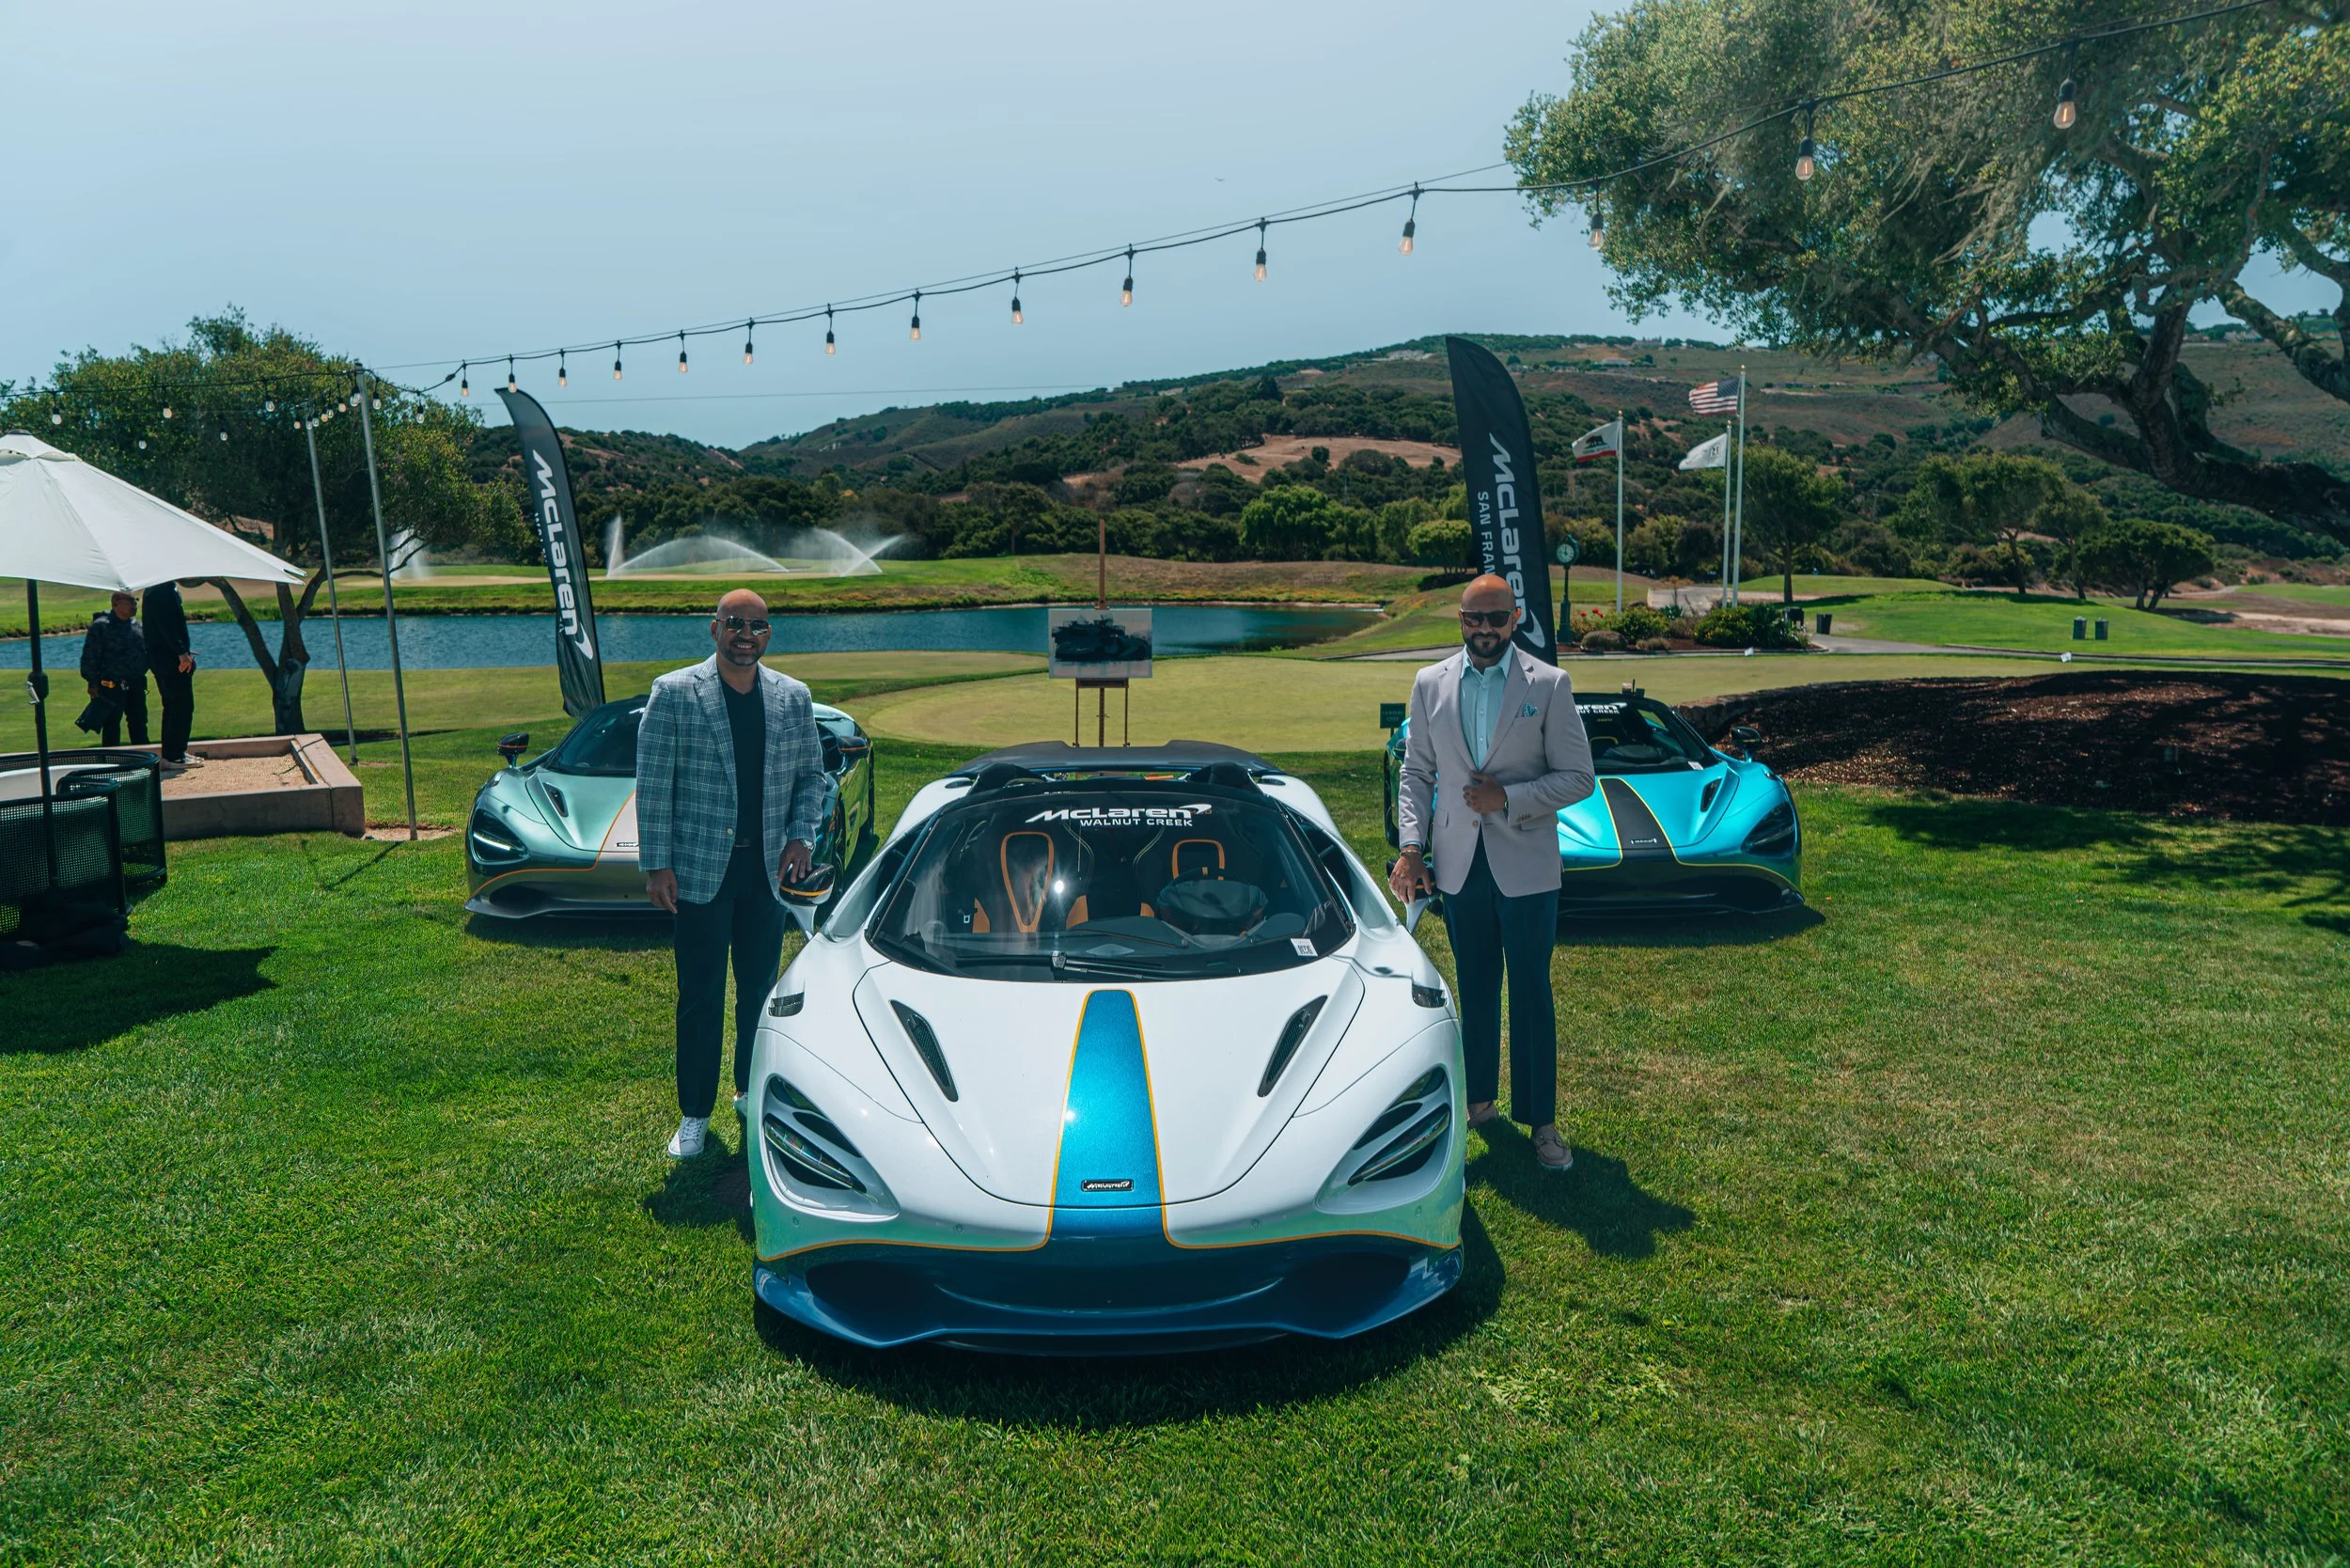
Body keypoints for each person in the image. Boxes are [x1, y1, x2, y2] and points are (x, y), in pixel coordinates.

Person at [1390, 574, 1595, 1173]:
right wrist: (1411, 846)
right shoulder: (1429, 683)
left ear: (1515, 618)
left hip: (1527, 866)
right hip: (1459, 867)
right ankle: (1479, 1101)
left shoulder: (1549, 684)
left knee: (1531, 992)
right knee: (1475, 988)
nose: (1485, 629)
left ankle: (1542, 1122)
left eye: (1497, 618)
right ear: (1460, 620)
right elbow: (1416, 772)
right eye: (1474, 618)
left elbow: (1579, 777)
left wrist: (1508, 798)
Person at [635, 589, 828, 1159]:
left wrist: (801, 836)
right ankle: (694, 1114)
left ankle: (748, 1091)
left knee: (759, 993)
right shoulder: (674, 692)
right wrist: (657, 864)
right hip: (698, 871)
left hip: (765, 873)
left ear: (769, 635)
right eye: (736, 624)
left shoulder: (793, 697)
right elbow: (653, 785)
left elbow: (810, 778)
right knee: (700, 997)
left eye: (757, 627)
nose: (746, 636)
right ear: (714, 628)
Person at [78, 592, 149, 746]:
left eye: (135, 601)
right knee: (111, 725)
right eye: (130, 601)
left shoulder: (138, 627)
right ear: (116, 603)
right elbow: (90, 657)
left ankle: (144, 755)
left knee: (139, 722)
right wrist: (92, 682)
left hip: (136, 683)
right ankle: (111, 758)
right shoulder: (101, 626)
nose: (134, 605)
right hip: (110, 685)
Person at [143, 579, 200, 771]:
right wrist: (181, 653)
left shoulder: (155, 589)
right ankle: (174, 755)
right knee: (181, 706)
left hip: (163, 657)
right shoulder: (162, 590)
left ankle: (175, 752)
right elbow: (167, 625)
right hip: (168, 659)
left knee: (175, 706)